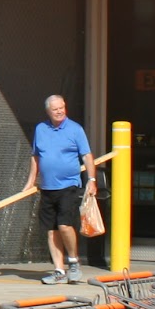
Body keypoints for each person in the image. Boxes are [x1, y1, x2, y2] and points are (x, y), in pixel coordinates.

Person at [24, 94, 95, 285]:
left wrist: (92, 179)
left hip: (69, 185)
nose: (59, 111)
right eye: (55, 109)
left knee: (64, 225)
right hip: (47, 187)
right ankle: (59, 271)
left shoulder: (75, 129)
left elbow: (87, 156)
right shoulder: (41, 129)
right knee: (51, 230)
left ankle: (73, 261)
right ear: (48, 111)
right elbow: (36, 156)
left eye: (62, 107)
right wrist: (31, 182)